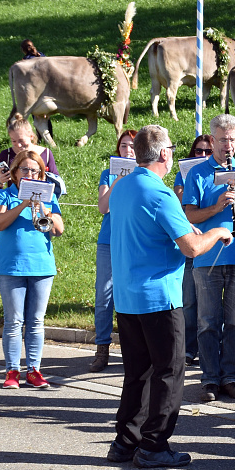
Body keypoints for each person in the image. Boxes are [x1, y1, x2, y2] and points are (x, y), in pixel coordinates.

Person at [107, 125, 232, 469]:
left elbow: (147, 229)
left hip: (127, 297)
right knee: (169, 371)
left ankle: (125, 441)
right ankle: (154, 444)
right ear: (163, 154)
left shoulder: (121, 187)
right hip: (158, 298)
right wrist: (217, 231)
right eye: (172, 149)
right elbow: (192, 247)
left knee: (137, 373)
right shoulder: (160, 194)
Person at [183, 114, 235, 403]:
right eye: (222, 140)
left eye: (232, 140)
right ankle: (209, 379)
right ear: (212, 140)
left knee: (234, 321)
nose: (228, 145)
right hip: (207, 257)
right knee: (207, 321)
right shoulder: (197, 173)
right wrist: (216, 207)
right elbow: (188, 215)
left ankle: (231, 377)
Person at [0, 149, 64, 390]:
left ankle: (34, 370)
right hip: (10, 266)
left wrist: (44, 210)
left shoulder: (49, 197)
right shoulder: (4, 196)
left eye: (36, 170)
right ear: (14, 173)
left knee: (36, 321)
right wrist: (24, 202)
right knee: (13, 322)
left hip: (41, 266)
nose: (31, 173)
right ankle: (12, 371)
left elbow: (59, 230)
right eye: (26, 169)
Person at [89, 129, 137, 373]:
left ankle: (131, 349)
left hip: (134, 240)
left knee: (130, 294)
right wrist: (118, 178)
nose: (127, 150)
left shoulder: (143, 173)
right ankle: (102, 348)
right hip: (109, 240)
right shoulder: (107, 173)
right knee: (104, 295)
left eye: (132, 146)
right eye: (123, 146)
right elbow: (103, 208)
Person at [173, 135, 214, 366]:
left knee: (210, 303)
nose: (203, 156)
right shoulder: (183, 173)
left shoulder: (217, 172)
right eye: (198, 151)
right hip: (189, 240)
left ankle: (211, 346)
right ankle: (189, 348)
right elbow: (180, 203)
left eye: (208, 151)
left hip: (210, 242)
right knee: (188, 299)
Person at [0, 114, 60, 193]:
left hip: (40, 197)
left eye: (21, 140)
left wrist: (45, 179)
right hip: (14, 200)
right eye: (14, 141)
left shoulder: (46, 153)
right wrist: (0, 181)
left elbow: (57, 182)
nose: (18, 145)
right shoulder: (6, 154)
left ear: (31, 136)